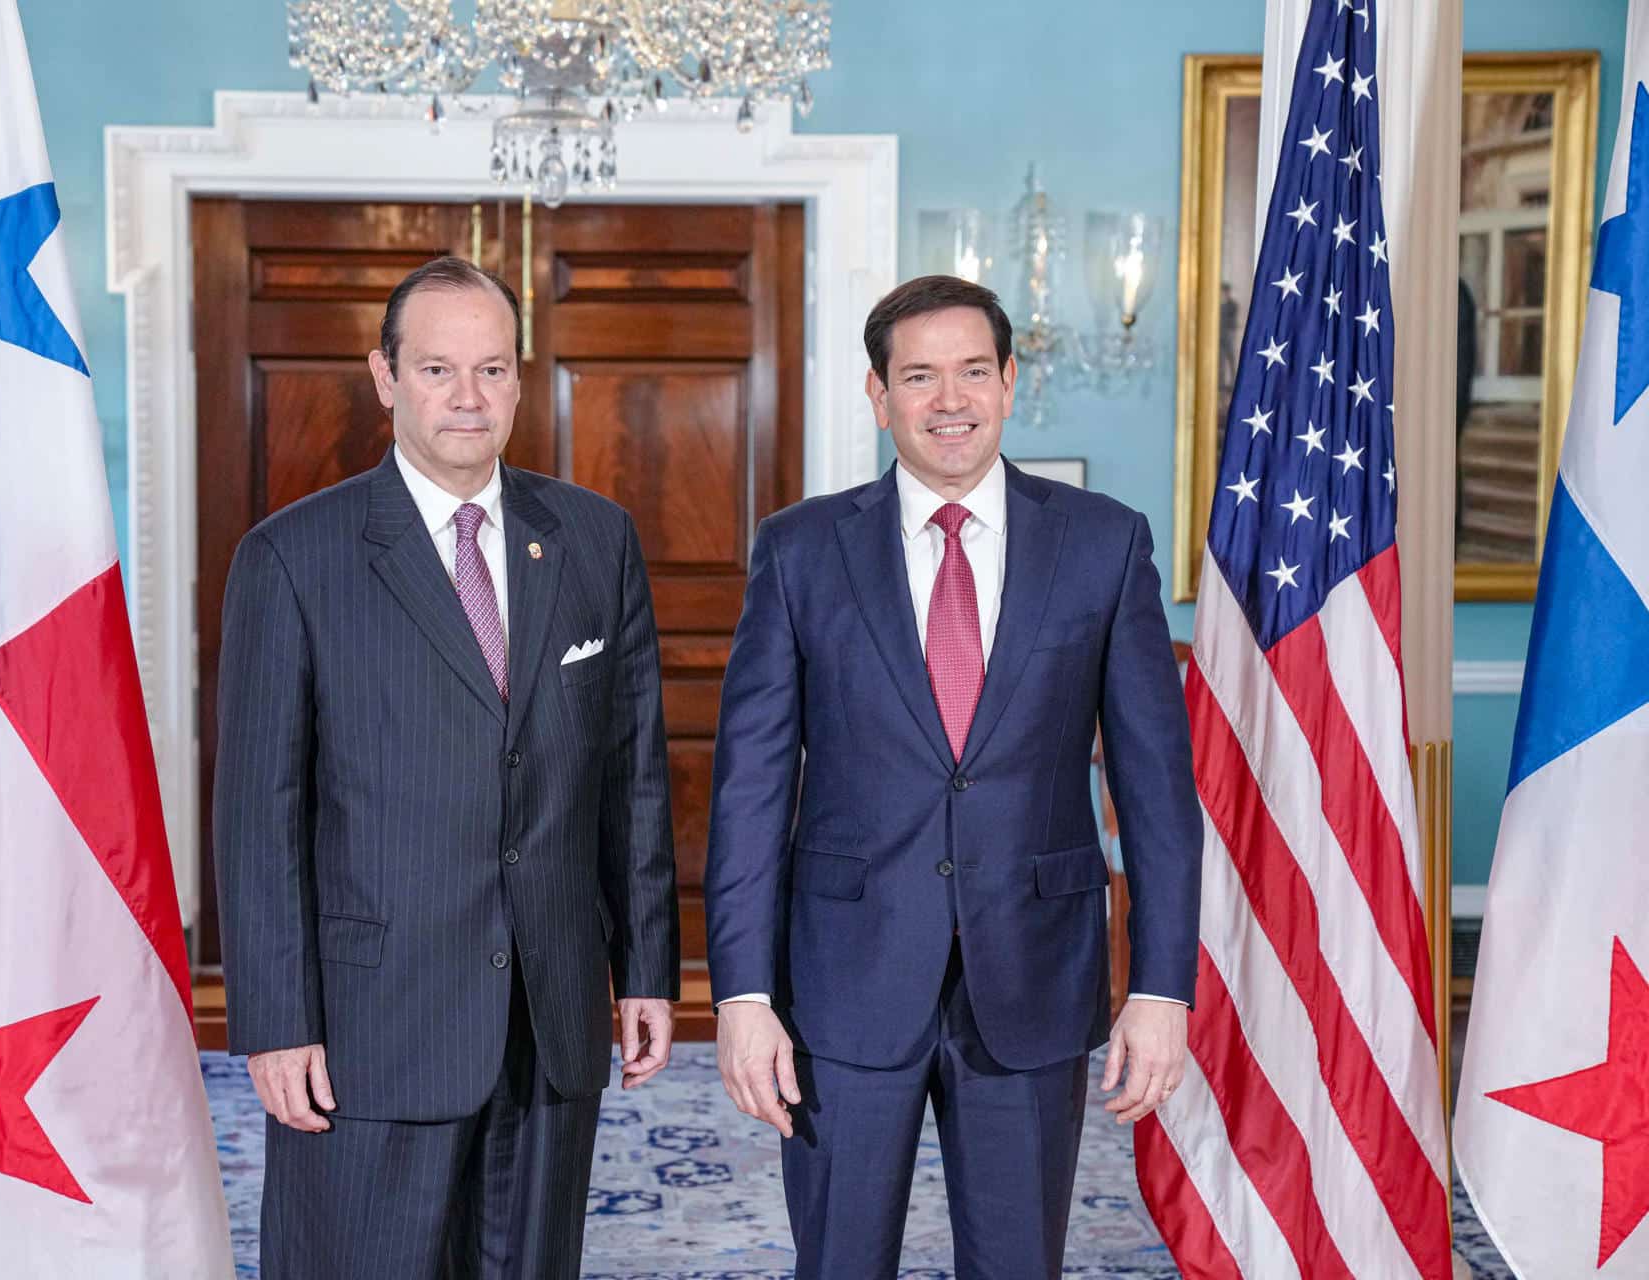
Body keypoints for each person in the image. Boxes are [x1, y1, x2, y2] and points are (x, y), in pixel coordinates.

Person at [703, 274, 1202, 1279]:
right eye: (919, 376)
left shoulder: (1104, 543)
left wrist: (1162, 986)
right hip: (843, 980)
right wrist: (742, 992)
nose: (950, 400)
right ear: (878, 395)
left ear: (1010, 382)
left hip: (1034, 974)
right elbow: (749, 790)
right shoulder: (800, 550)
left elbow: (1156, 789)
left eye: (973, 371)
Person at [214, 256, 680, 1278]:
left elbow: (631, 776)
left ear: (518, 379)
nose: (469, 396)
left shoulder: (595, 539)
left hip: (549, 1014)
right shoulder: (293, 557)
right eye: (437, 369)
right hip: (373, 1021)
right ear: (384, 377)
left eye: (492, 369)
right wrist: (277, 1021)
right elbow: (260, 815)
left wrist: (647, 966)